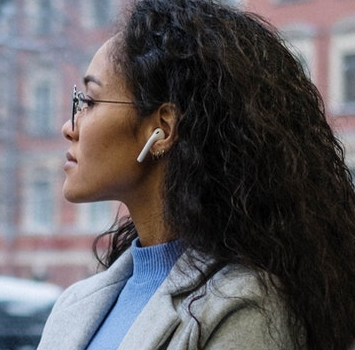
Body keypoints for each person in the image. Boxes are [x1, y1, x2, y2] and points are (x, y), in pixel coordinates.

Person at [37, 0, 355, 349]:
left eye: (90, 102)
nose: (69, 126)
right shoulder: (76, 303)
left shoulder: (240, 309)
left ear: (161, 128)